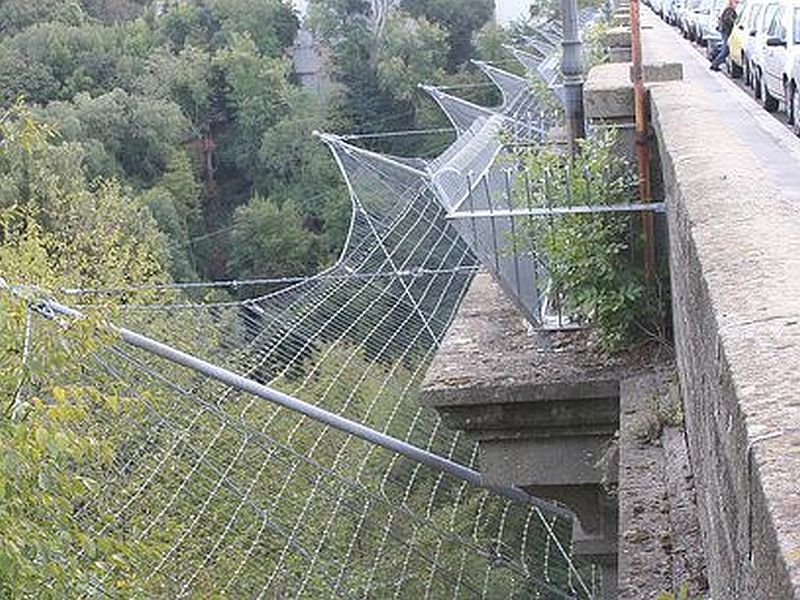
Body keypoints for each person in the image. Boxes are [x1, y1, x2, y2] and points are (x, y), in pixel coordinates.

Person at [710, 0, 739, 71]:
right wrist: (734, 23)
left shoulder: (728, 10)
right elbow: (728, 20)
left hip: (725, 31)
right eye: (736, 2)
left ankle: (715, 59)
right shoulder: (729, 10)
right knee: (726, 50)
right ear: (731, 2)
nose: (737, 5)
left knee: (725, 49)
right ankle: (715, 64)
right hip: (726, 32)